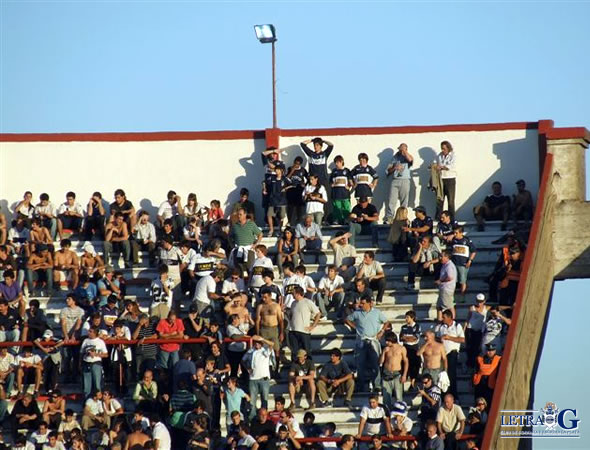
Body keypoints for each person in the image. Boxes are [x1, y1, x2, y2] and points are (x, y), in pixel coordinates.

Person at [345, 295, 389, 393]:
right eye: (361, 303)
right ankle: (361, 385)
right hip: (361, 341)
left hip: (373, 340)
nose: (361, 305)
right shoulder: (357, 313)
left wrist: (381, 331)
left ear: (369, 303)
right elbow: (347, 319)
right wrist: (355, 327)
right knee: (360, 364)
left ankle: (377, 385)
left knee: (375, 364)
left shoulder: (377, 312)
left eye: (363, 303)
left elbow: (386, 322)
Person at [435, 309, 465, 398]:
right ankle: (445, 394)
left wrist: (449, 338)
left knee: (451, 374)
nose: (442, 319)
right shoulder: (441, 327)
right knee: (443, 374)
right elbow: (436, 338)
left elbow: (462, 339)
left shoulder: (457, 326)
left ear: (449, 317)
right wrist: (440, 339)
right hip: (443, 353)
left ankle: (453, 395)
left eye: (444, 317)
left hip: (452, 352)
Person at [243, 335, 275, 420]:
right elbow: (243, 360)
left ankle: (264, 419)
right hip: (252, 379)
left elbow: (272, 344)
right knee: (252, 402)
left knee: (264, 400)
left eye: (258, 342)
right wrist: (247, 368)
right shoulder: (251, 351)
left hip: (264, 379)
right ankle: (252, 420)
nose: (256, 344)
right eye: (255, 342)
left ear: (261, 343)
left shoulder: (265, 350)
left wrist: (262, 338)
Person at [385, 143, 414, 223]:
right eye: (400, 149)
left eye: (402, 149)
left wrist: (404, 152)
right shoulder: (395, 158)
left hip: (405, 180)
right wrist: (394, 167)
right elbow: (387, 171)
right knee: (392, 200)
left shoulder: (409, 156)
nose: (401, 151)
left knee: (404, 200)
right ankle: (389, 217)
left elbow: (410, 160)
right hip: (395, 180)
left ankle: (403, 217)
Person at [289, 286, 321, 358]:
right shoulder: (293, 303)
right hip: (293, 331)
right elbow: (291, 315)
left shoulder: (308, 302)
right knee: (294, 353)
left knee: (306, 352)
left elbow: (318, 314)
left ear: (298, 294)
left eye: (293, 293)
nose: (292, 295)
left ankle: (309, 364)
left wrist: (312, 326)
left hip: (304, 332)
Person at [380, 332, 408, 411]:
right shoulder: (386, 349)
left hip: (396, 373)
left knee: (399, 396)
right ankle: (387, 413)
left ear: (392, 340)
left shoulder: (401, 348)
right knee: (386, 397)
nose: (386, 342)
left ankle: (400, 413)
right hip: (386, 373)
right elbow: (380, 362)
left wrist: (404, 375)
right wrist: (384, 352)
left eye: (388, 341)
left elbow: (406, 362)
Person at [80, 326, 108, 398]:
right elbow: (81, 352)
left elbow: (106, 354)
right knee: (86, 384)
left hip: (96, 363)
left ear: (95, 333)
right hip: (86, 363)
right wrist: (80, 363)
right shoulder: (86, 341)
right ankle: (87, 399)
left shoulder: (100, 342)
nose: (88, 333)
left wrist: (96, 354)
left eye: (90, 331)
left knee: (97, 384)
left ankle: (98, 399)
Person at [450, 226, 476, 301]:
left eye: (456, 233)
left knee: (462, 281)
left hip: (463, 263)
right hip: (454, 263)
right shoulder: (453, 240)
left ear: (461, 233)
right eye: (454, 233)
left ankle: (462, 297)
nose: (455, 234)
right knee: (453, 281)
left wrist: (470, 261)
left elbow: (473, 251)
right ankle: (452, 297)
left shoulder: (466, 240)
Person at [434, 141, 457, 221]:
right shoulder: (439, 155)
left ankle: (451, 218)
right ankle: (439, 218)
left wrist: (441, 167)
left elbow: (451, 166)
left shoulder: (453, 155)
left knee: (450, 201)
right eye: (442, 149)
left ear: (448, 148)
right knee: (439, 199)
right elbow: (435, 164)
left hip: (450, 179)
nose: (442, 150)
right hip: (441, 179)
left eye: (444, 149)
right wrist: (434, 166)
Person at [464, 294, 488, 370]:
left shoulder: (486, 308)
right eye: (478, 301)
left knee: (478, 348)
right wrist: (464, 329)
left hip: (479, 331)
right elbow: (468, 319)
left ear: (484, 301)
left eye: (481, 301)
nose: (479, 303)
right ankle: (470, 364)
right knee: (470, 348)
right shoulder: (472, 308)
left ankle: (476, 365)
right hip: (471, 330)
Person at [399, 310, 421, 388]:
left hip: (414, 348)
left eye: (407, 317)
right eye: (406, 317)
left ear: (412, 318)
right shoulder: (403, 327)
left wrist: (406, 337)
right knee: (404, 365)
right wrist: (409, 338)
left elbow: (415, 338)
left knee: (414, 366)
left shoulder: (417, 326)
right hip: (406, 348)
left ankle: (412, 384)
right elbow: (401, 338)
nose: (406, 319)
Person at [265, 166, 289, 237]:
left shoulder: (285, 178)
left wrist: (286, 188)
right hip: (273, 200)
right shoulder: (272, 178)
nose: (277, 171)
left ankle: (280, 230)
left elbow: (292, 184)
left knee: (281, 216)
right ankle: (271, 229)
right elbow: (264, 182)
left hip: (282, 200)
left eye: (278, 170)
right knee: (269, 215)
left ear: (281, 170)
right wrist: (264, 189)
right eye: (276, 170)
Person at [329, 155, 354, 225]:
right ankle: (337, 220)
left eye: (338, 162)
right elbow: (330, 182)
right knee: (337, 208)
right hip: (336, 194)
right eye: (335, 163)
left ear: (341, 162)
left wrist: (349, 186)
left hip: (345, 194)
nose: (336, 164)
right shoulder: (334, 171)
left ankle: (346, 220)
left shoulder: (347, 171)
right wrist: (331, 184)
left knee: (346, 208)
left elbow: (351, 181)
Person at [285, 156, 308, 227]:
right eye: (295, 163)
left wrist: (304, 185)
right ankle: (290, 221)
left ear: (300, 164)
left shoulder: (303, 170)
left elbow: (308, 179)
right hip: (291, 190)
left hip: (299, 190)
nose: (296, 165)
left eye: (298, 164)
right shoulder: (290, 168)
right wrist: (292, 171)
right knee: (291, 206)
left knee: (299, 206)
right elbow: (286, 178)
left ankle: (299, 221)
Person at [435, 250, 457, 321]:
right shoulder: (445, 265)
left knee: (449, 306)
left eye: (442, 256)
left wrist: (440, 281)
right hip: (443, 288)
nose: (440, 258)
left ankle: (453, 321)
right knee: (439, 306)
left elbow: (450, 277)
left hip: (447, 289)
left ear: (447, 257)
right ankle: (439, 321)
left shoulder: (449, 266)